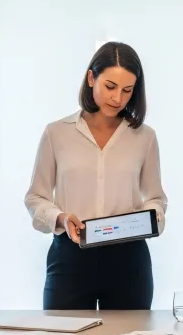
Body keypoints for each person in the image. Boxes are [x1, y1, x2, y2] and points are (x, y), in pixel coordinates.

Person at [25, 41, 167, 310]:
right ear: (91, 78)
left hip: (129, 260)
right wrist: (61, 218)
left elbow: (156, 198)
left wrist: (148, 218)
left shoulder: (145, 137)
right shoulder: (57, 133)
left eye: (127, 90)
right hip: (70, 258)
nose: (117, 98)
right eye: (110, 87)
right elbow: (35, 197)